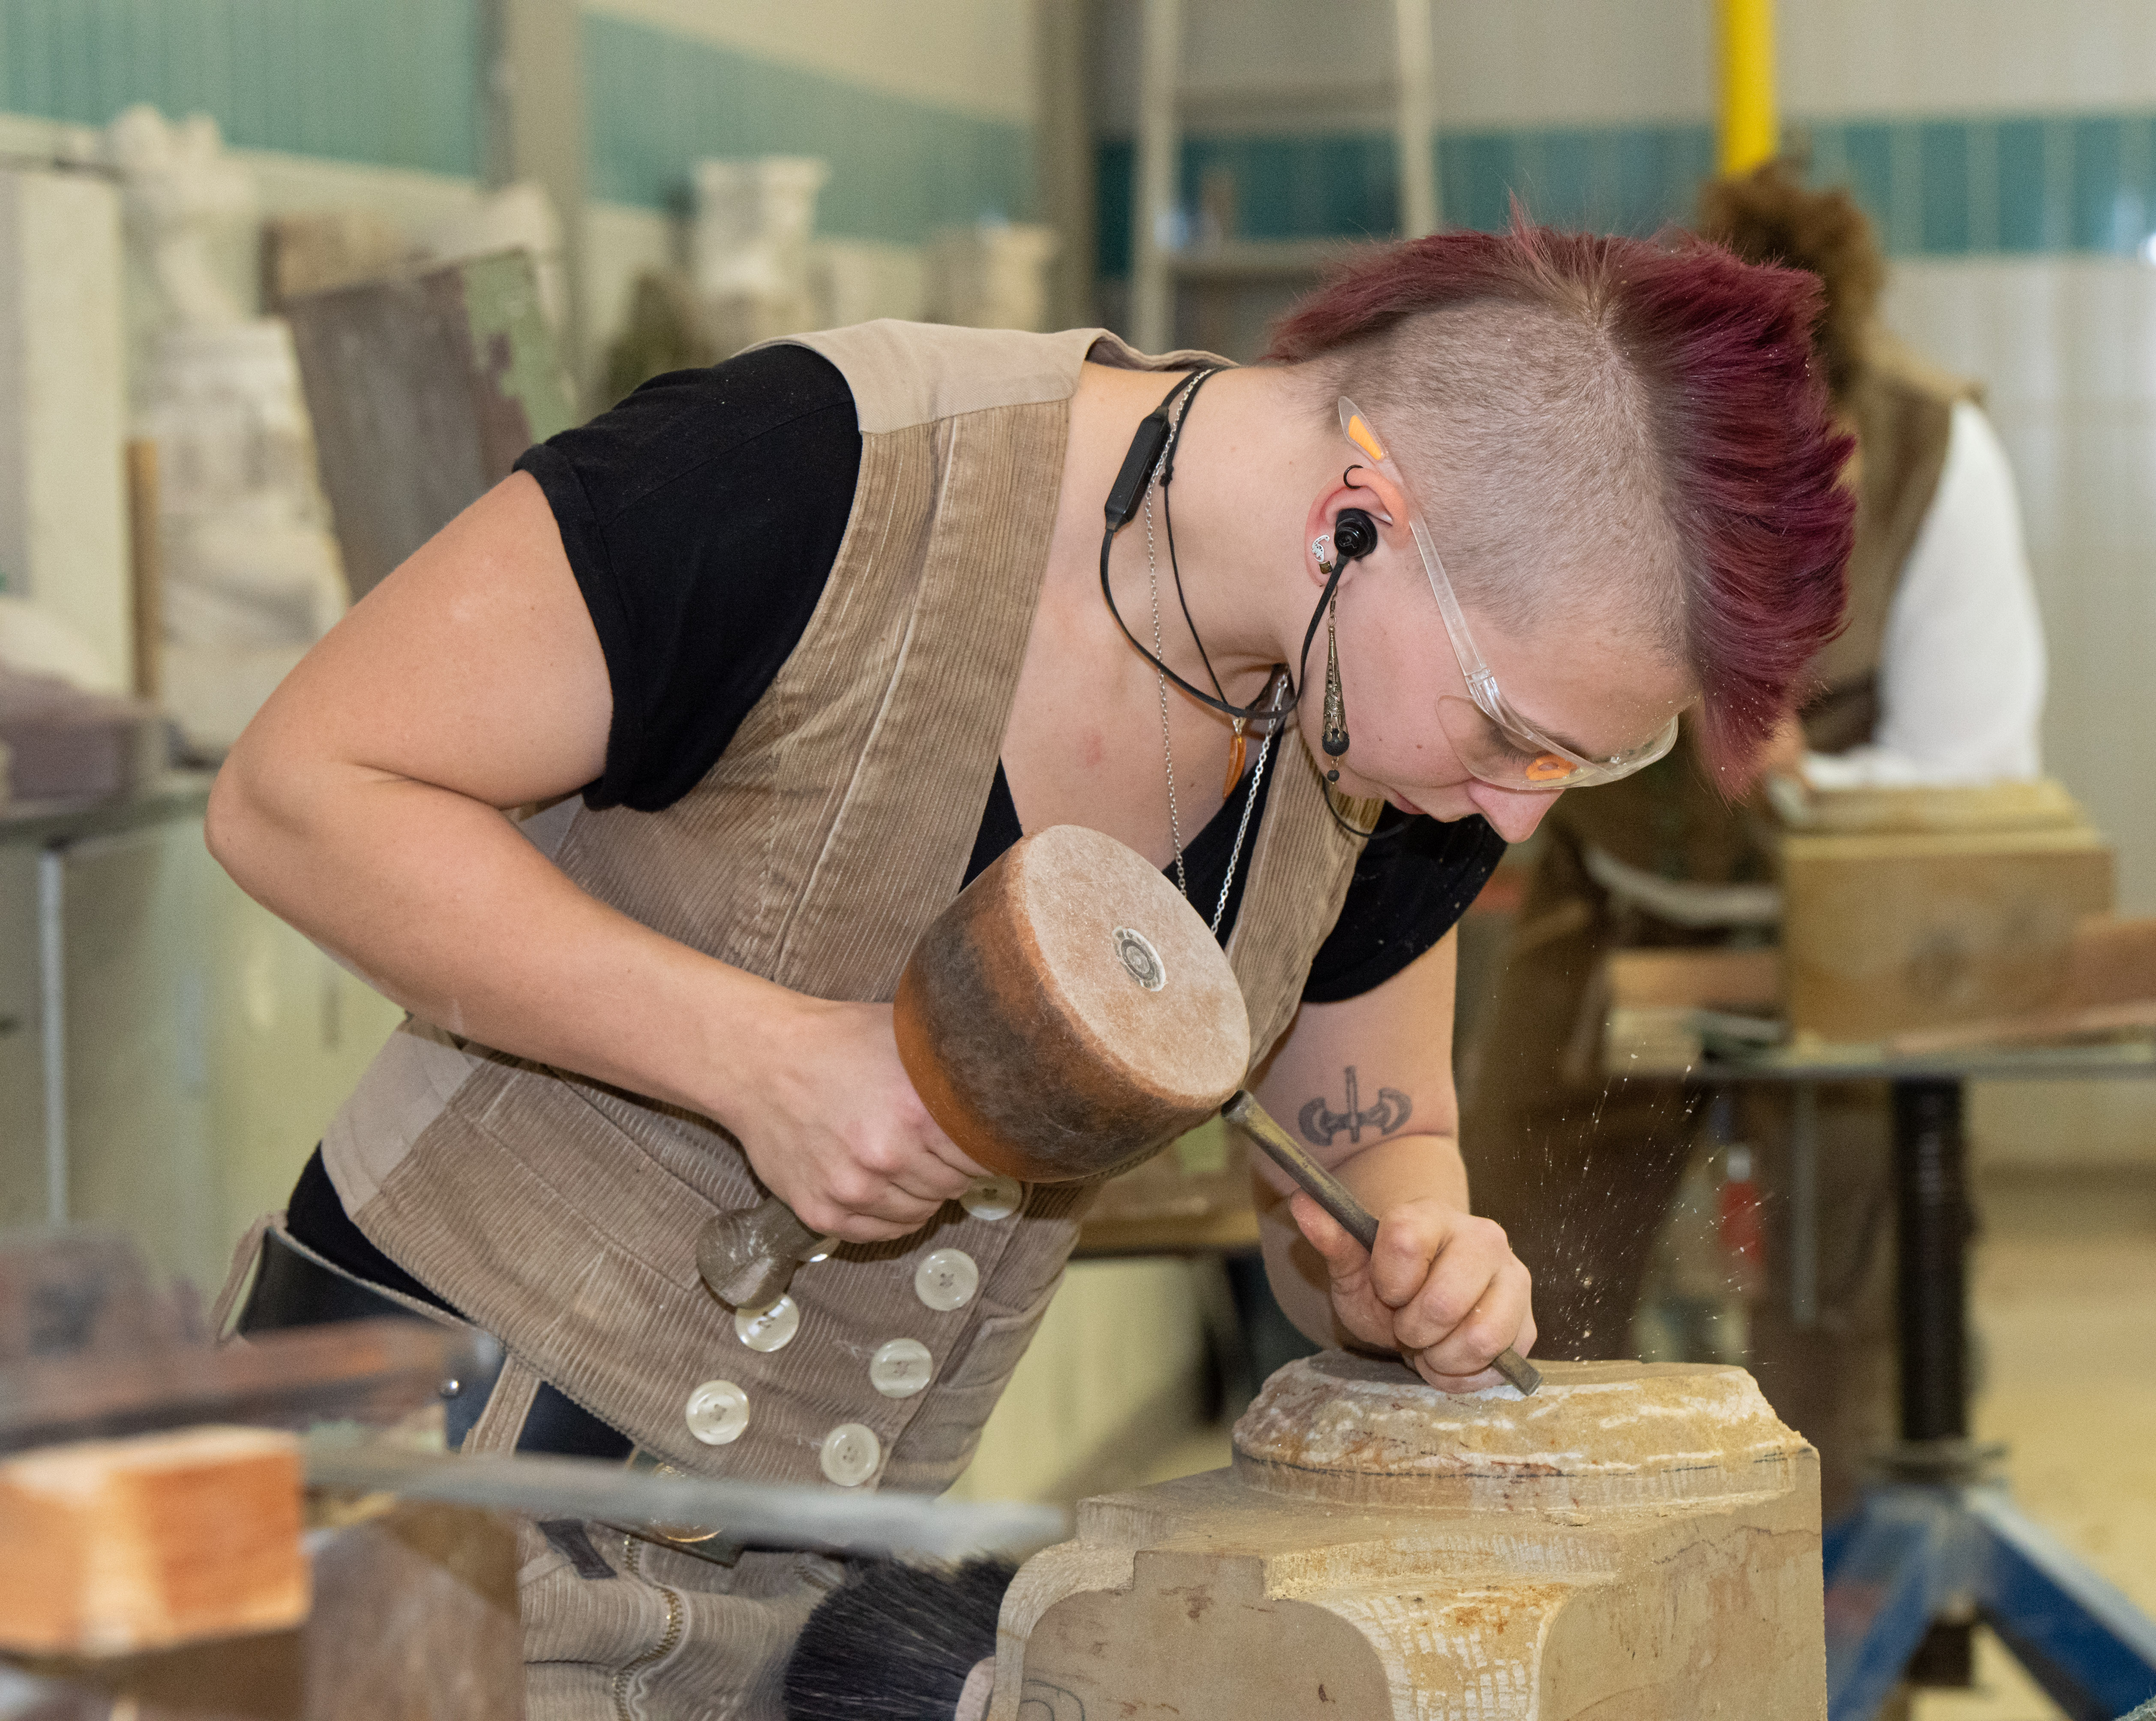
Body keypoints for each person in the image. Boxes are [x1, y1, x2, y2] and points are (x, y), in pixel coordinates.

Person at [206, 218, 1854, 1715]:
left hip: (803, 1598)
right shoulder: (815, 473)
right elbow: (298, 792)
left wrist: (1396, 1250)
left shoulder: (1388, 761)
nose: (1512, 808)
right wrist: (760, 1061)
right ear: (1361, 517)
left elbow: (1369, 1134)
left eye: (1577, 765)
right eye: (1511, 733)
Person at [1460, 163, 2045, 1519]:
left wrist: (1808, 778)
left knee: (1840, 1327)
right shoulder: (1610, 428)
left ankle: (1843, 1638)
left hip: (1831, 936)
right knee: (1518, 1294)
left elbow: (1981, 764)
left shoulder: (1935, 458)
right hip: (1616, 904)